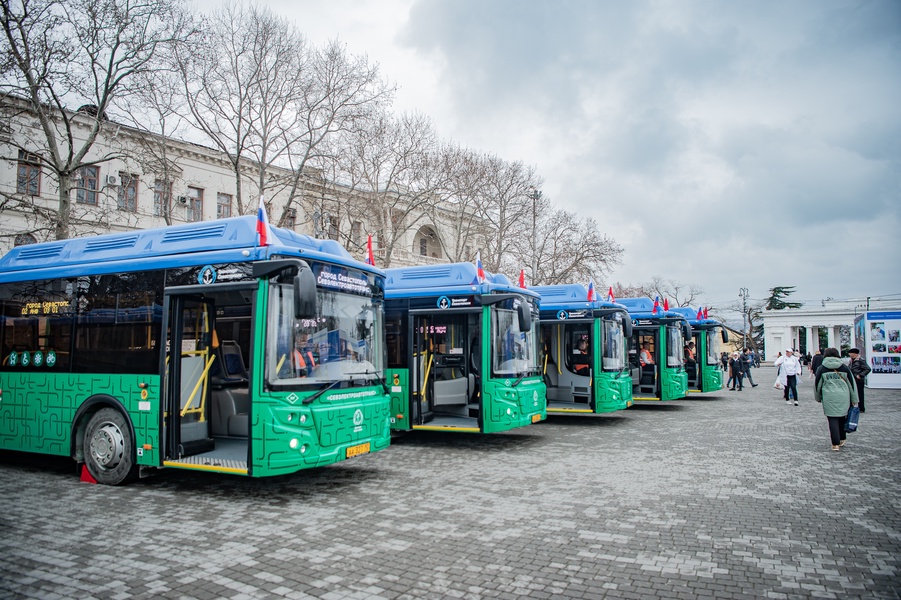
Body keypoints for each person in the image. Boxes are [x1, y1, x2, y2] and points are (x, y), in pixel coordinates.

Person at [814, 347, 858, 451]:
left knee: (832, 419)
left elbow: (817, 385)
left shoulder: (822, 368)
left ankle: (835, 444)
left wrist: (818, 397)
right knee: (842, 417)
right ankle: (842, 438)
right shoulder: (844, 367)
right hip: (843, 396)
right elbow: (851, 384)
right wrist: (854, 399)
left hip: (829, 396)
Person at [848, 348, 872, 413]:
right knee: (853, 393)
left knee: (860, 394)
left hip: (859, 380)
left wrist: (860, 375)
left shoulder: (861, 360)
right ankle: (853, 407)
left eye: (851, 354)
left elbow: (868, 369)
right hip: (853, 379)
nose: (849, 355)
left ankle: (861, 408)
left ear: (855, 354)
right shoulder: (851, 361)